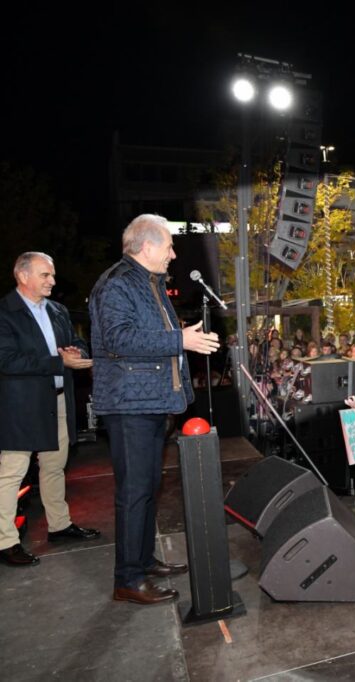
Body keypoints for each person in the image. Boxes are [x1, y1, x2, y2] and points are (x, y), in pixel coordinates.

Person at [90, 215, 220, 604]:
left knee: (147, 488)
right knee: (134, 492)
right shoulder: (117, 284)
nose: (174, 254)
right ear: (146, 247)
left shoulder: (149, 283)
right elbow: (119, 339)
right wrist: (180, 339)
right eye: (168, 246)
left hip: (149, 400)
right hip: (129, 404)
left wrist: (181, 339)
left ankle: (143, 560)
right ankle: (127, 579)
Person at [0, 252, 99, 567]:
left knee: (55, 465)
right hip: (22, 404)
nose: (53, 281)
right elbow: (7, 360)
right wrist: (59, 361)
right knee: (12, 472)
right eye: (45, 275)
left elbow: (75, 344)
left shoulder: (57, 310)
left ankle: (59, 525)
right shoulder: (5, 312)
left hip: (57, 398)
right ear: (23, 276)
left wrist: (76, 351)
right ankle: (5, 542)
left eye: (52, 275)